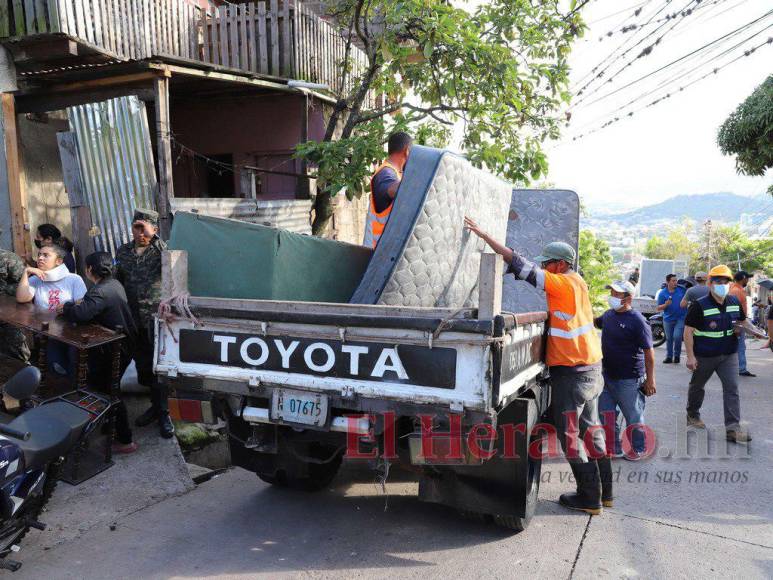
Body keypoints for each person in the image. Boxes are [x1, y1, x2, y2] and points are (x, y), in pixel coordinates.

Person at [465, 216, 610, 514]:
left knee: (569, 436)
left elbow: (520, 264)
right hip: (593, 369)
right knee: (591, 430)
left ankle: (589, 497)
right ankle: (606, 492)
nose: (544, 267)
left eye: (547, 263)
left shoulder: (561, 284)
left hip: (572, 374)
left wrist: (484, 236)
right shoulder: (579, 282)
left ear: (560, 264)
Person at [60, 252, 138, 454]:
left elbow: (81, 314)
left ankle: (125, 439)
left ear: (89, 269)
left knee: (108, 391)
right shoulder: (113, 284)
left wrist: (67, 307)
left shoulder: (100, 291)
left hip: (114, 349)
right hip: (123, 345)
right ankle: (110, 426)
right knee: (107, 388)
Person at [683, 265, 765, 443]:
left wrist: (755, 331)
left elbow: (743, 321)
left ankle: (732, 429)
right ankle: (692, 414)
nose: (722, 285)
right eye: (718, 281)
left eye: (725, 281)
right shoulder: (699, 305)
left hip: (729, 354)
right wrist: (690, 356)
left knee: (732, 389)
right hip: (704, 355)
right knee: (697, 386)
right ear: (710, 283)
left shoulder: (734, 302)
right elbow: (688, 331)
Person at [115, 208, 173, 439]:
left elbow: (173, 272)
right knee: (144, 369)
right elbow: (117, 281)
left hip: (156, 320)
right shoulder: (124, 251)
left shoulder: (162, 250)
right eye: (136, 227)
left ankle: (164, 413)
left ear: (154, 229)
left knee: (160, 368)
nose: (139, 232)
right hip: (133, 320)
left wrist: (155, 239)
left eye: (144, 227)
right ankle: (155, 406)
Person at [594, 281, 656, 460]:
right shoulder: (608, 316)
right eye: (611, 292)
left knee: (634, 417)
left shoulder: (637, 320)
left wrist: (650, 380)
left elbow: (649, 352)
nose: (612, 296)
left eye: (616, 293)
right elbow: (594, 322)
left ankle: (638, 448)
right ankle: (613, 448)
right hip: (607, 375)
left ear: (628, 298)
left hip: (629, 378)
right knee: (606, 415)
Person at [15, 244, 87, 376]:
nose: (40, 258)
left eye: (46, 255)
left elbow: (82, 304)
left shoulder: (74, 279)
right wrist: (26, 272)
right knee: (56, 367)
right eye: (39, 255)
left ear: (59, 261)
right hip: (47, 333)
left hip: (71, 332)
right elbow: (22, 298)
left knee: (74, 366)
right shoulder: (36, 280)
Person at [363, 132, 412, 249]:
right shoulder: (385, 173)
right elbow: (392, 190)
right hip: (375, 253)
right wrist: (417, 176)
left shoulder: (395, 174)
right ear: (407, 151)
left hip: (383, 251)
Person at [0, 248, 30, 362]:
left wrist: (4, 293)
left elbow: (24, 283)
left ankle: (27, 376)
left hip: (8, 318)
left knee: (19, 355)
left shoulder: (8, 258)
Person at [656, 274, 687, 364]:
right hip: (668, 319)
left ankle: (677, 355)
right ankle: (669, 357)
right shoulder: (662, 293)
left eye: (676, 280)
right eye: (673, 281)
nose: (675, 282)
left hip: (681, 318)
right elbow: (658, 308)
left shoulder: (682, 290)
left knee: (677, 337)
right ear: (668, 282)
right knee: (669, 339)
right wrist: (666, 305)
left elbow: (688, 298)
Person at [729, 271, 754, 377]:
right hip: (737, 322)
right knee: (740, 346)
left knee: (739, 346)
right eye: (747, 278)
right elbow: (733, 310)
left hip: (739, 321)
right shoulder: (736, 291)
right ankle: (741, 369)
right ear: (743, 278)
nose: (748, 281)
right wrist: (737, 325)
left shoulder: (736, 289)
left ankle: (739, 368)